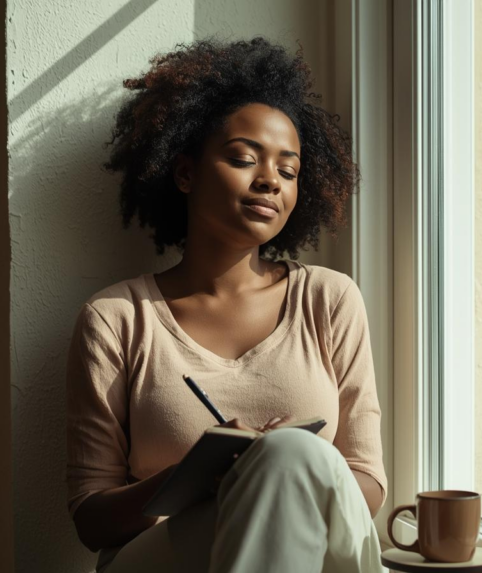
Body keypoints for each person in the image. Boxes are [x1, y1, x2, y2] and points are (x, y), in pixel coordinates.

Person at [66, 37, 387, 572]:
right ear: (186, 173)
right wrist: (198, 474)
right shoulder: (116, 320)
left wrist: (282, 467)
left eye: (289, 170)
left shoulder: (330, 300)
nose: (270, 181)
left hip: (314, 548)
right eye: (244, 158)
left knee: (292, 455)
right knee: (282, 458)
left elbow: (367, 482)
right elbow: (91, 519)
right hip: (162, 558)